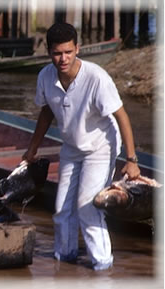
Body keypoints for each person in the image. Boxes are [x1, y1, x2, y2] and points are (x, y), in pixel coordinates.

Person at [22, 22, 140, 270]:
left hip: (101, 147)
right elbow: (46, 113)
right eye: (57, 53)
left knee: (88, 207)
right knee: (62, 208)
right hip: (71, 147)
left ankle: (102, 266)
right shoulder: (45, 76)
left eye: (68, 52)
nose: (63, 59)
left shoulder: (96, 77)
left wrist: (131, 160)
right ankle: (64, 261)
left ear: (78, 48)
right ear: (49, 52)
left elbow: (122, 116)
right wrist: (32, 149)